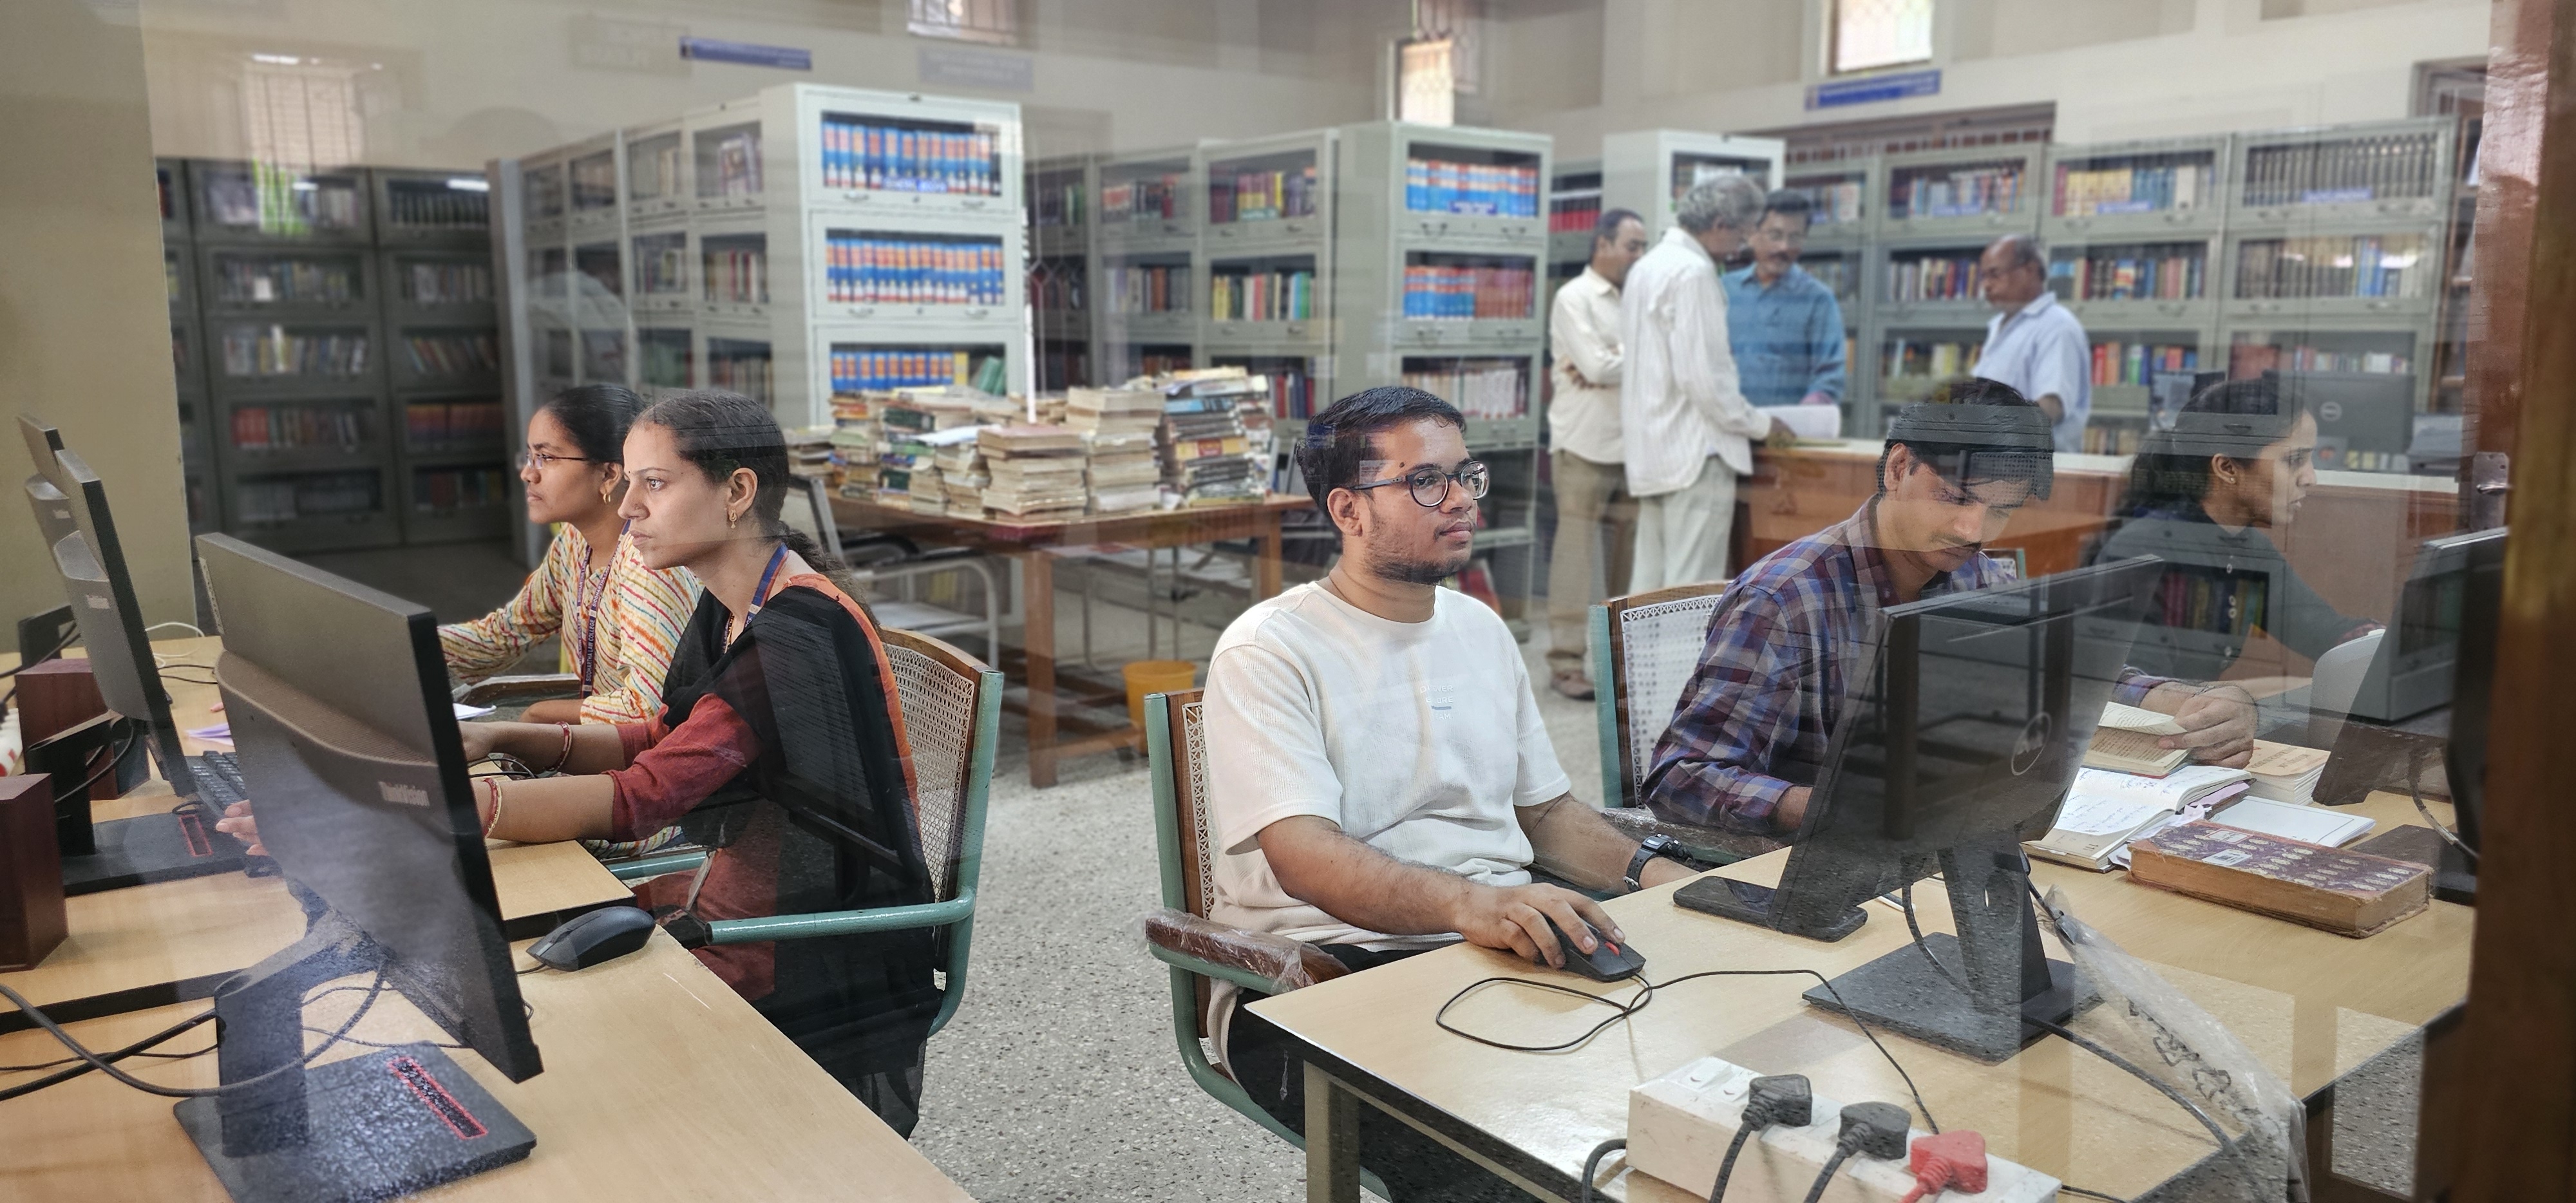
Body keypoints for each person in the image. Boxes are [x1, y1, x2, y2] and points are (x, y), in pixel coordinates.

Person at [225, 390, 941, 1133]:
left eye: (653, 483)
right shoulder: (730, 604)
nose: (626, 506)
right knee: (501, 951)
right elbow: (657, 731)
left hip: (799, 946)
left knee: (528, 1000)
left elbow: (645, 794)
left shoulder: (793, 636)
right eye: (627, 481)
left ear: (736, 492)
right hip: (721, 894)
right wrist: (501, 739)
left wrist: (413, 805)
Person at [1207, 386, 1699, 1202]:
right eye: (1426, 481)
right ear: (1348, 509)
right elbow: (1305, 859)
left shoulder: (1478, 628)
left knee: (1682, 1101)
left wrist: (1666, 873)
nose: (1463, 498)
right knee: (1515, 1170)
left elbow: (1546, 815)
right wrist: (1472, 902)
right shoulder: (1268, 650)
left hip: (1493, 947)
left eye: (1466, 474)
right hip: (1317, 976)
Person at [1642, 379, 2258, 833]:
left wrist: (2199, 703)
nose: (1973, 529)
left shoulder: (1976, 579)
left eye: (2001, 510)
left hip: (1952, 850)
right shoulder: (1787, 598)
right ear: (1900, 466)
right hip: (1825, 870)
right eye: (1955, 497)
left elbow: (2078, 674)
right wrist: (1837, 807)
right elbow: (1680, 778)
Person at [439, 384, 700, 726]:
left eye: (546, 458)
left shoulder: (650, 563)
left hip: (652, 766)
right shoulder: (574, 543)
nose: (528, 473)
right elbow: (506, 634)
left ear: (608, 474)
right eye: (530, 457)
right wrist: (402, 642)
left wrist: (538, 714)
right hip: (606, 749)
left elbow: (646, 710)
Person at [2094, 375, 2379, 686]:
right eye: (2294, 460)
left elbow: (2322, 629)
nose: (2310, 478)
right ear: (2227, 468)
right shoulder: (2145, 547)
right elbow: (2135, 690)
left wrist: (2385, 642)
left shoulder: (2248, 546)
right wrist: (2263, 693)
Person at [1620, 175, 1783, 593]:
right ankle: (1685, 665)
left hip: (1654, 449)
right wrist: (1762, 425)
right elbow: (1705, 379)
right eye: (1743, 233)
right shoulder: (1693, 273)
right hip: (1697, 451)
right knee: (1690, 591)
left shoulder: (1647, 266)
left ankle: (1634, 665)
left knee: (1648, 592)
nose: (1743, 246)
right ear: (1719, 223)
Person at [1542, 206, 1649, 701]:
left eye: (1643, 246)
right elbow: (1595, 366)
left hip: (1637, 446)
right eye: (1632, 245)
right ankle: (1565, 664)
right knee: (1576, 557)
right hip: (1584, 443)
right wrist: (1632, 360)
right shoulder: (1575, 297)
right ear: (1602, 245)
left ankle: (1619, 664)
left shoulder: (1641, 298)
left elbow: (1610, 367)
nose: (1639, 255)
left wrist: (1614, 362)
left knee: (1631, 562)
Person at [1721, 189, 1848, 411]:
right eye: (1776, 235)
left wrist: (1802, 417)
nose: (1784, 247)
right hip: (1725, 430)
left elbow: (1830, 376)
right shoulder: (1723, 291)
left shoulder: (1818, 300)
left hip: (1784, 437)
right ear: (1752, 234)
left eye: (1795, 238)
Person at [1969, 234, 2092, 453]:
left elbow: (2049, 408)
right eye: (1984, 277)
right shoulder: (1999, 325)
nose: (1986, 286)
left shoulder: (2057, 326)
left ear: (2030, 271)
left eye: (1995, 274)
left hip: (2035, 473)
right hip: (1993, 466)